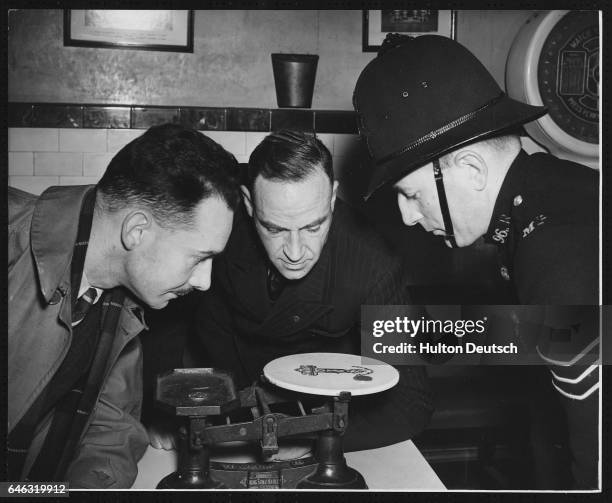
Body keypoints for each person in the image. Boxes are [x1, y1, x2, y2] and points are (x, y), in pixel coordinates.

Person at [352, 34, 599, 488]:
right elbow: (553, 335)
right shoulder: (553, 197)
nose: (407, 216)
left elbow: (597, 462)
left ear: (471, 171)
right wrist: (392, 334)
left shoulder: (554, 249)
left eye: (410, 194)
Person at [160, 130, 433, 453]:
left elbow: (411, 404)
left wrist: (299, 438)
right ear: (248, 203)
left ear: (332, 198)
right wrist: (158, 410)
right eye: (274, 228)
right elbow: (167, 318)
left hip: (319, 414)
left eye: (313, 227)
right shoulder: (217, 221)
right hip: (224, 395)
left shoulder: (373, 264)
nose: (294, 251)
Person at [7, 123, 240, 488]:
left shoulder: (121, 301)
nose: (204, 281)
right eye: (199, 257)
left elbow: (110, 430)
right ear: (136, 231)